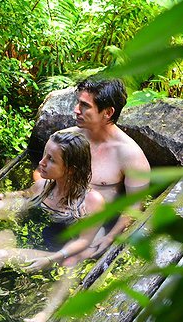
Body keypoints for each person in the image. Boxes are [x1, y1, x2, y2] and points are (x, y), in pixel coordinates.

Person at [0, 130, 105, 299]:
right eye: (44, 155)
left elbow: (84, 241)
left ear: (70, 169)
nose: (42, 163)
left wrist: (52, 260)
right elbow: (26, 194)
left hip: (51, 252)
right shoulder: (44, 185)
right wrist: (2, 197)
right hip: (23, 237)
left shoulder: (92, 201)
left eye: (51, 159)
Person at [64, 78, 151, 258]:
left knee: (73, 259)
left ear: (108, 112)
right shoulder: (68, 138)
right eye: (77, 102)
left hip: (93, 225)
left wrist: (110, 238)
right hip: (58, 210)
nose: (76, 110)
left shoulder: (130, 156)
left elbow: (135, 207)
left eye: (85, 105)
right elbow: (41, 172)